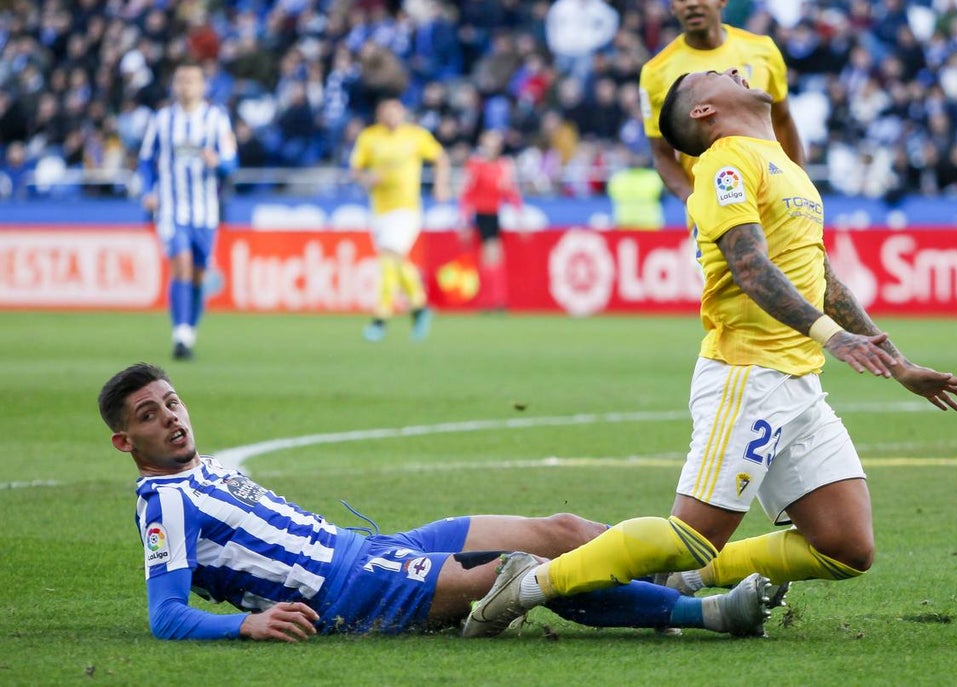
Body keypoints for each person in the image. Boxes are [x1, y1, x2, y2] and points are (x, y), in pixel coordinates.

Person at [462, 68, 957, 637]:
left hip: (800, 382)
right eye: (715, 74)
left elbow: (824, 280)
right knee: (691, 534)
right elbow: (750, 267)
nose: (732, 68)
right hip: (749, 372)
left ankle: (694, 575)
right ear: (704, 110)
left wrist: (898, 363)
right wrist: (833, 337)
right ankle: (527, 584)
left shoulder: (783, 165)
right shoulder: (727, 164)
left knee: (845, 546)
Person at [99, 362, 782, 641]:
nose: (172, 417)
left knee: (562, 528)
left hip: (371, 548)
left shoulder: (197, 469)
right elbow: (165, 616)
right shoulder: (163, 502)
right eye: (151, 415)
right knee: (519, 573)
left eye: (172, 401)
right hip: (352, 593)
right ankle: (707, 610)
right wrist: (246, 626)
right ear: (125, 440)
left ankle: (679, 572)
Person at [638, 0, 805, 203]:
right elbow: (662, 155)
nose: (692, 2)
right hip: (713, 210)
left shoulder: (763, 50)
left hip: (771, 200)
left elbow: (782, 120)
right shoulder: (655, 71)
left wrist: (799, 187)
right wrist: (695, 202)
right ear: (672, 6)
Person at [137, 59, 238, 360]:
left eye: (191, 81)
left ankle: (188, 333)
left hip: (205, 212)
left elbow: (232, 163)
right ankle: (179, 334)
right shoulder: (162, 119)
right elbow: (145, 161)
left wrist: (218, 163)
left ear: (203, 86)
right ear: (174, 85)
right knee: (179, 263)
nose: (186, 86)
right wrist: (148, 191)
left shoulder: (217, 119)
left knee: (197, 274)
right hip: (171, 208)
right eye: (181, 80)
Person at [350, 98, 451, 342]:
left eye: (396, 112)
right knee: (394, 260)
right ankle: (419, 306)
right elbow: (356, 170)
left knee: (388, 257)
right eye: (387, 112)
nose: (393, 117)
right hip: (380, 209)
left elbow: (441, 158)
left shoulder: (416, 136)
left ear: (403, 113)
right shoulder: (369, 137)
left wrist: (440, 185)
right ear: (379, 115)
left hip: (406, 209)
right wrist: (367, 179)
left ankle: (380, 319)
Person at [457, 129, 522, 311]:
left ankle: (494, 300)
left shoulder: (503, 166)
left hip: (494, 214)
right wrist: (464, 220)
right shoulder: (475, 165)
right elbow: (467, 194)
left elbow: (509, 191)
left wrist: (520, 213)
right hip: (482, 214)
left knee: (494, 258)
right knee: (490, 257)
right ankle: (490, 300)